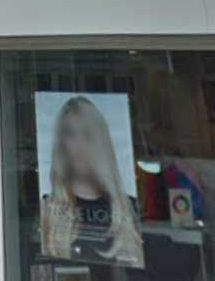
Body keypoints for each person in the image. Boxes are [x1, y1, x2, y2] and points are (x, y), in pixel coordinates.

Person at [41, 96, 143, 267]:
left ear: (101, 141)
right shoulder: (48, 208)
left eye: (88, 134)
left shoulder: (128, 207)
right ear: (62, 144)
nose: (79, 144)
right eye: (70, 134)